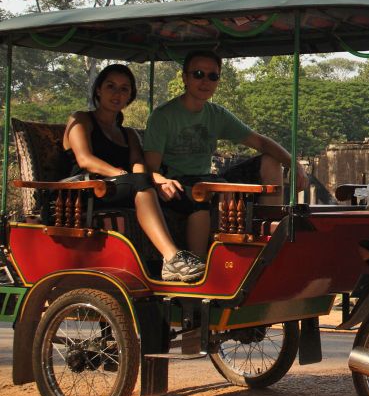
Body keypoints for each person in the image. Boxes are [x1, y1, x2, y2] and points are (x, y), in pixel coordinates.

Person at [143, 51, 309, 256]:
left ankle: (270, 237)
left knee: (270, 161)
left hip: (209, 180)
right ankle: (198, 263)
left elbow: (259, 142)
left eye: (212, 76)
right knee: (201, 195)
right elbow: (151, 167)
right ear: (185, 77)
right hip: (178, 184)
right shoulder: (163, 116)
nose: (205, 81)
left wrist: (295, 165)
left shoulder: (217, 114)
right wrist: (160, 181)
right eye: (198, 74)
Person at [63, 64, 205, 282]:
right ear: (98, 89)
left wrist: (155, 181)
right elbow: (85, 159)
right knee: (139, 183)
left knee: (192, 198)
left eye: (124, 89)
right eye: (111, 86)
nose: (117, 93)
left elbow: (139, 163)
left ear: (130, 95)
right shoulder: (81, 119)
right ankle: (172, 259)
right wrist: (122, 175)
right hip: (86, 191)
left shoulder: (128, 133)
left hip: (124, 187)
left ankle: (196, 265)